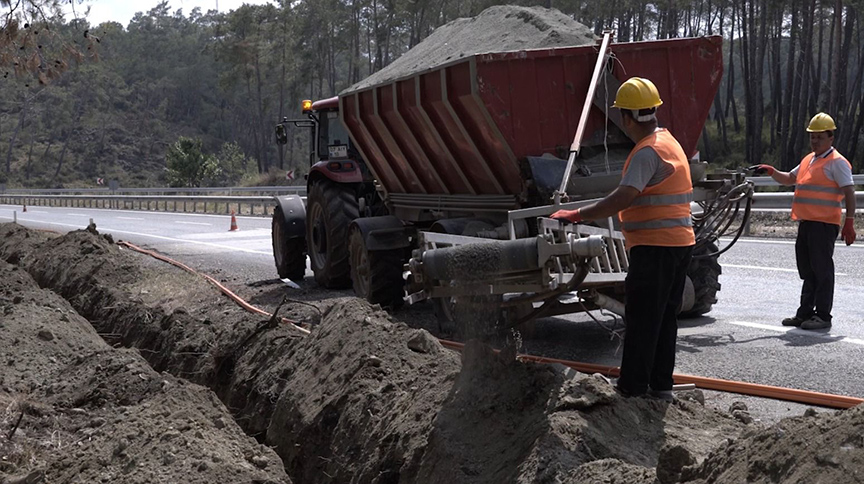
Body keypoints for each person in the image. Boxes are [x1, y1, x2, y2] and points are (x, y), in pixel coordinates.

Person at [551, 77, 694, 400]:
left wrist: (577, 215)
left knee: (642, 319)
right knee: (664, 320)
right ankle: (660, 386)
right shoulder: (668, 142)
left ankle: (631, 389)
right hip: (679, 245)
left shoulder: (646, 153)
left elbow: (624, 196)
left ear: (627, 118)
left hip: (655, 248)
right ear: (654, 110)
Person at [749, 112, 856, 330]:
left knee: (822, 270)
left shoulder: (837, 163)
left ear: (831, 138)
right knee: (808, 270)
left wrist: (850, 221)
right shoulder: (809, 160)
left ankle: (823, 316)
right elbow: (789, 178)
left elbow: (849, 191)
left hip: (824, 225)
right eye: (812, 137)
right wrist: (771, 171)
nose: (815, 141)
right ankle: (805, 312)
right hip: (807, 223)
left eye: (819, 137)